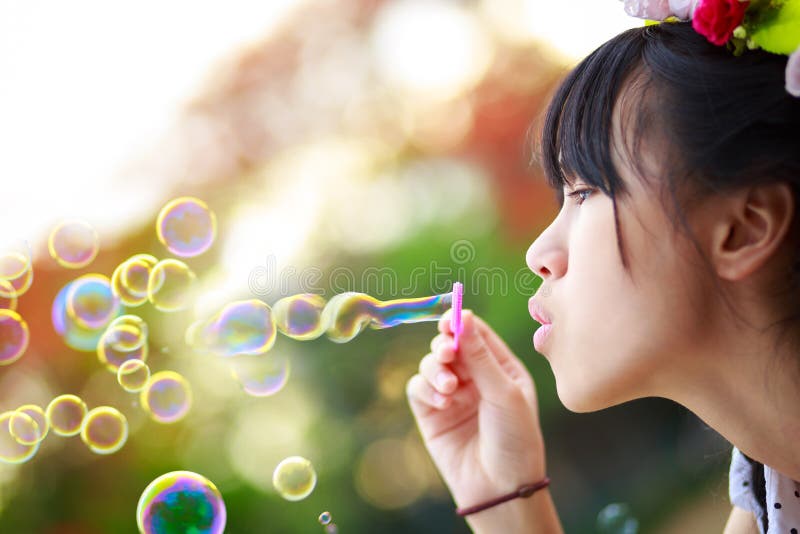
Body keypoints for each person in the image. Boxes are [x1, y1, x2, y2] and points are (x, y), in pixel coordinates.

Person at [406, 14, 800, 534]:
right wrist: (502, 495)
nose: (538, 253)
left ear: (744, 228)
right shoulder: (768, 492)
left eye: (585, 191)